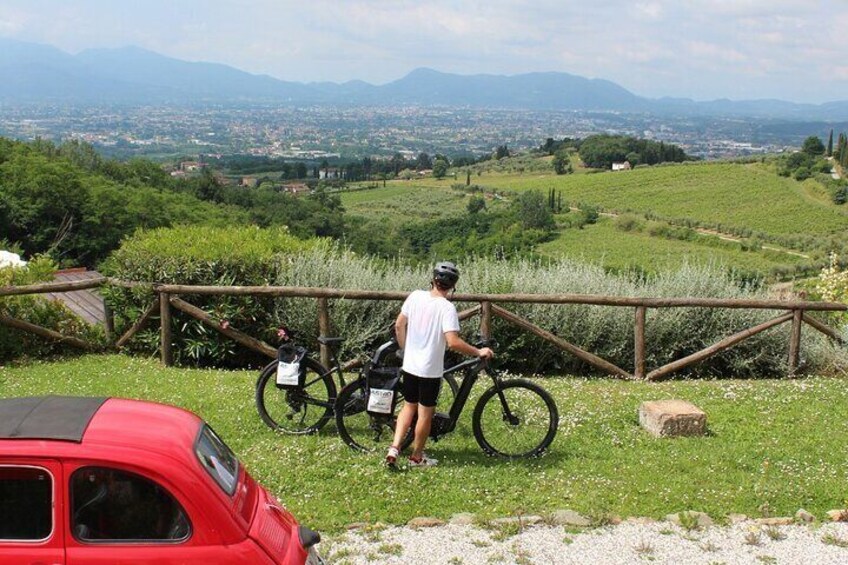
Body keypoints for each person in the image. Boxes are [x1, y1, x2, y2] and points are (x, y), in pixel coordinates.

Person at [386, 261, 494, 468]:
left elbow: (399, 324)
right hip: (429, 370)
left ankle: (394, 447)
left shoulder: (415, 296)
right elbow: (453, 342)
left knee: (408, 407)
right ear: (453, 286)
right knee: (425, 414)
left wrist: (405, 350)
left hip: (410, 365)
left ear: (432, 279)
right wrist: (478, 351)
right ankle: (417, 457)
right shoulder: (447, 308)